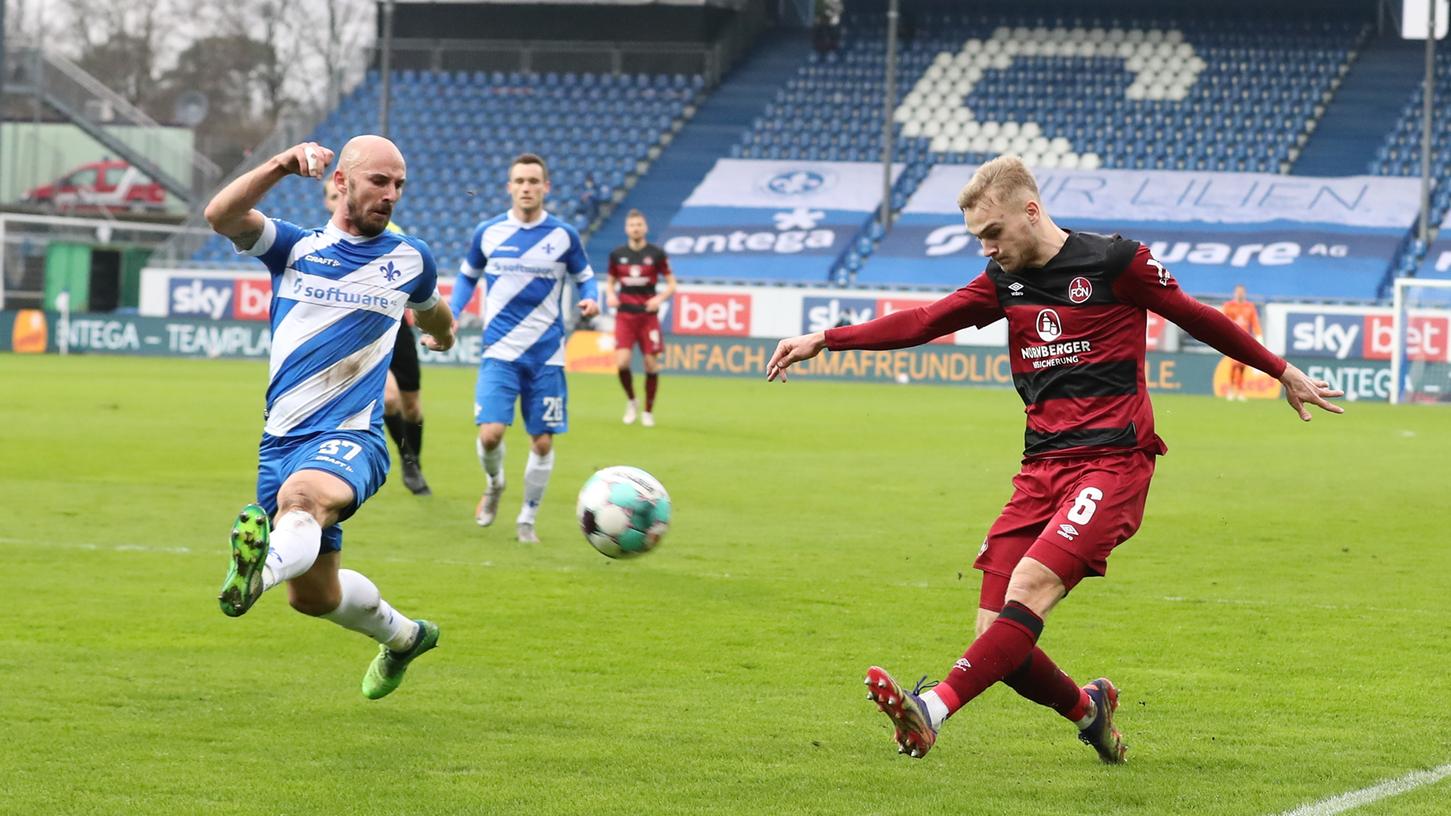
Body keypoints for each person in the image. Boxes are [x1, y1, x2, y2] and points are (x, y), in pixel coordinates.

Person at [766, 155, 1343, 762]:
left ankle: (929, 710)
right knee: (996, 643)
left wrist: (1280, 370)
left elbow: (1196, 316)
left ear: (1031, 211)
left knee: (1031, 585)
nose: (986, 249)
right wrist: (827, 339)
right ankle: (1091, 711)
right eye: (977, 238)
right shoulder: (1003, 282)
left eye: (993, 233)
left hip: (1112, 464)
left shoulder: (1117, 262)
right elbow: (926, 320)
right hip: (1039, 471)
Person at [207, 136, 456, 700]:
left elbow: (431, 307)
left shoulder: (409, 258)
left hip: (354, 437)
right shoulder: (293, 249)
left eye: (399, 186)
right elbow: (220, 215)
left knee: (303, 503)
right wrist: (276, 165)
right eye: (379, 182)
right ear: (340, 182)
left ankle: (257, 573)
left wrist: (442, 332)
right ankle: (406, 637)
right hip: (280, 444)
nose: (391, 195)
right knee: (314, 597)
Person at [449, 153, 600, 544]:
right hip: (499, 350)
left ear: (546, 187)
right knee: (491, 435)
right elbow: (467, 278)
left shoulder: (564, 236)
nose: (527, 188)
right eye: (520, 181)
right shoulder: (488, 232)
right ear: (509, 187)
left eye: (534, 181)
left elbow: (586, 278)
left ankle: (527, 518)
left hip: (546, 355)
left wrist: (592, 299)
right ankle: (494, 483)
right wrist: (450, 312)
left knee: (543, 441)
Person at [324, 178, 432, 493]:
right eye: (331, 197)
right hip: (363, 335)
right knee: (389, 398)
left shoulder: (391, 233)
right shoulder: (326, 243)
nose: (335, 200)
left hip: (398, 329)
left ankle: (414, 461)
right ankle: (406, 458)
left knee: (412, 406)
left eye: (338, 195)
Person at [603, 209, 677, 426]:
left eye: (639, 225)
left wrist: (659, 299)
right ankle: (632, 400)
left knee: (651, 365)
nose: (635, 228)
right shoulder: (617, 254)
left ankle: (647, 411)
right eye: (632, 225)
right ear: (627, 229)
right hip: (625, 315)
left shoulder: (656, 254)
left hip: (648, 316)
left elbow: (672, 285)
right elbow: (610, 282)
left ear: (645, 228)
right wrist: (609, 294)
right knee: (623, 363)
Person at [1221, 284, 1263, 401]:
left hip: (1245, 339)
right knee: (1234, 364)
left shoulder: (1250, 307)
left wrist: (1259, 336)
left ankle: (1239, 391)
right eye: (1238, 291)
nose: (1239, 294)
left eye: (1241, 292)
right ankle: (1231, 389)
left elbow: (1254, 323)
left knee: (1243, 366)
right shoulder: (1229, 306)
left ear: (1244, 293)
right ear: (1235, 293)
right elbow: (1222, 320)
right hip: (1232, 339)